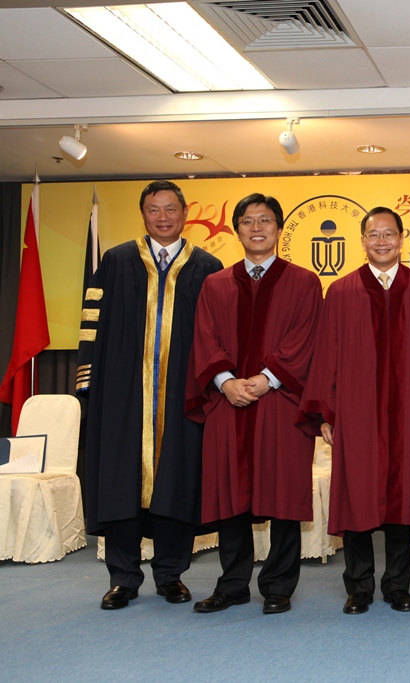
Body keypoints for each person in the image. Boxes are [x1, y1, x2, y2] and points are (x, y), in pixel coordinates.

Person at [77, 180, 222, 610]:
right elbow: (91, 322)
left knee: (177, 483)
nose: (163, 217)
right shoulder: (117, 260)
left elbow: (218, 334)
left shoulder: (208, 266)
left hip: (184, 394)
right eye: (154, 209)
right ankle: (123, 577)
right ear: (143, 214)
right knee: (121, 484)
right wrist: (88, 381)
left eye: (170, 209)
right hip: (123, 394)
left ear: (184, 212)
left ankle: (170, 574)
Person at [300, 207, 410, 615]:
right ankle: (359, 586)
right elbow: (326, 355)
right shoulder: (341, 292)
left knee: (403, 500)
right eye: (373, 234)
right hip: (357, 414)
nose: (382, 241)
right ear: (362, 240)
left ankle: (397, 585)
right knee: (357, 498)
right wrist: (325, 414)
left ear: (403, 238)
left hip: (409, 413)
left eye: (389, 234)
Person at [186, 193, 321, 615]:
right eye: (247, 221)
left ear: (279, 229)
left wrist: (265, 379)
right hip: (229, 404)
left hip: (280, 402)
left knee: (281, 494)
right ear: (237, 230)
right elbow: (205, 339)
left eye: (265, 220)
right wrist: (226, 382)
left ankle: (278, 585)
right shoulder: (216, 284)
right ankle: (232, 584)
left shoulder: (303, 282)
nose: (256, 228)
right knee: (230, 494)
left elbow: (305, 339)